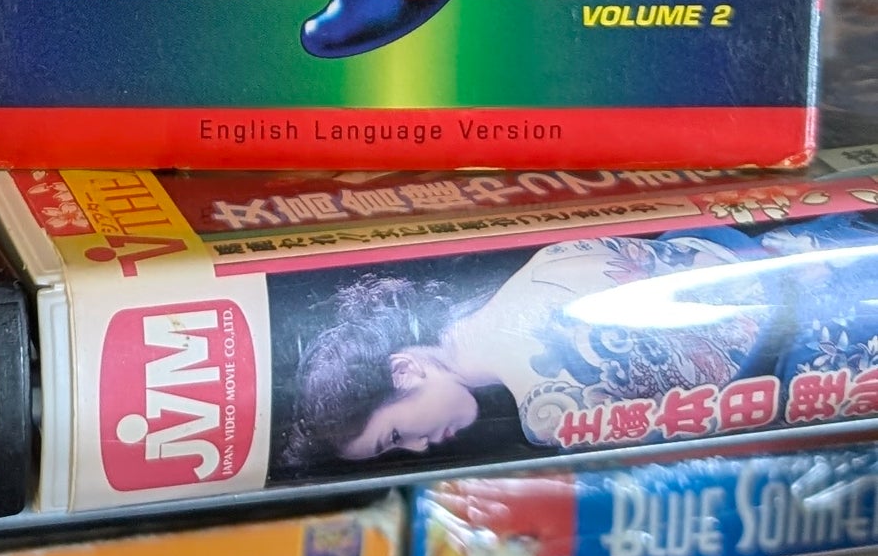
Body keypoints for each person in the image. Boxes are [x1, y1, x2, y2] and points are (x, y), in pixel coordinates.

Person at [274, 220, 878, 474]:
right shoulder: (545, 259)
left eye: (394, 436)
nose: (418, 447)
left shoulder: (548, 413)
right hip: (826, 244)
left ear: (404, 369)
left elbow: (732, 389)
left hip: (840, 340)